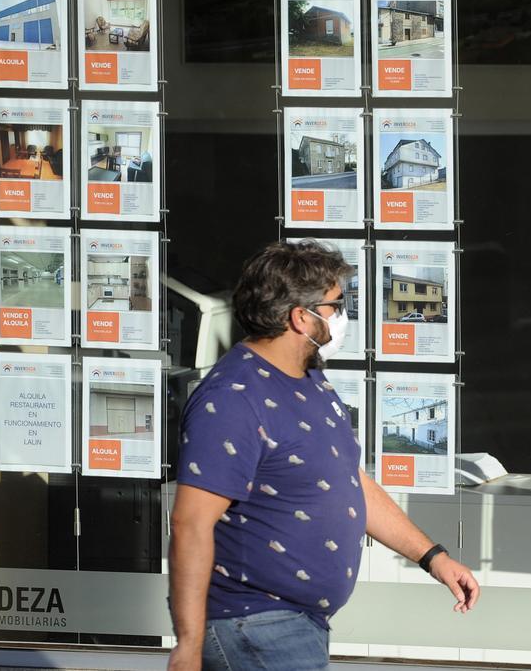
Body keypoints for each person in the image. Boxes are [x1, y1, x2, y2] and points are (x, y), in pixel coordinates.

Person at [168, 240, 479, 670]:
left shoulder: (310, 380)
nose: (341, 316)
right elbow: (190, 522)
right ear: (300, 317)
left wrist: (433, 558)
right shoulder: (233, 398)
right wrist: (188, 645)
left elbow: (346, 481)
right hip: (254, 625)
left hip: (297, 624)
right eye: (336, 305)